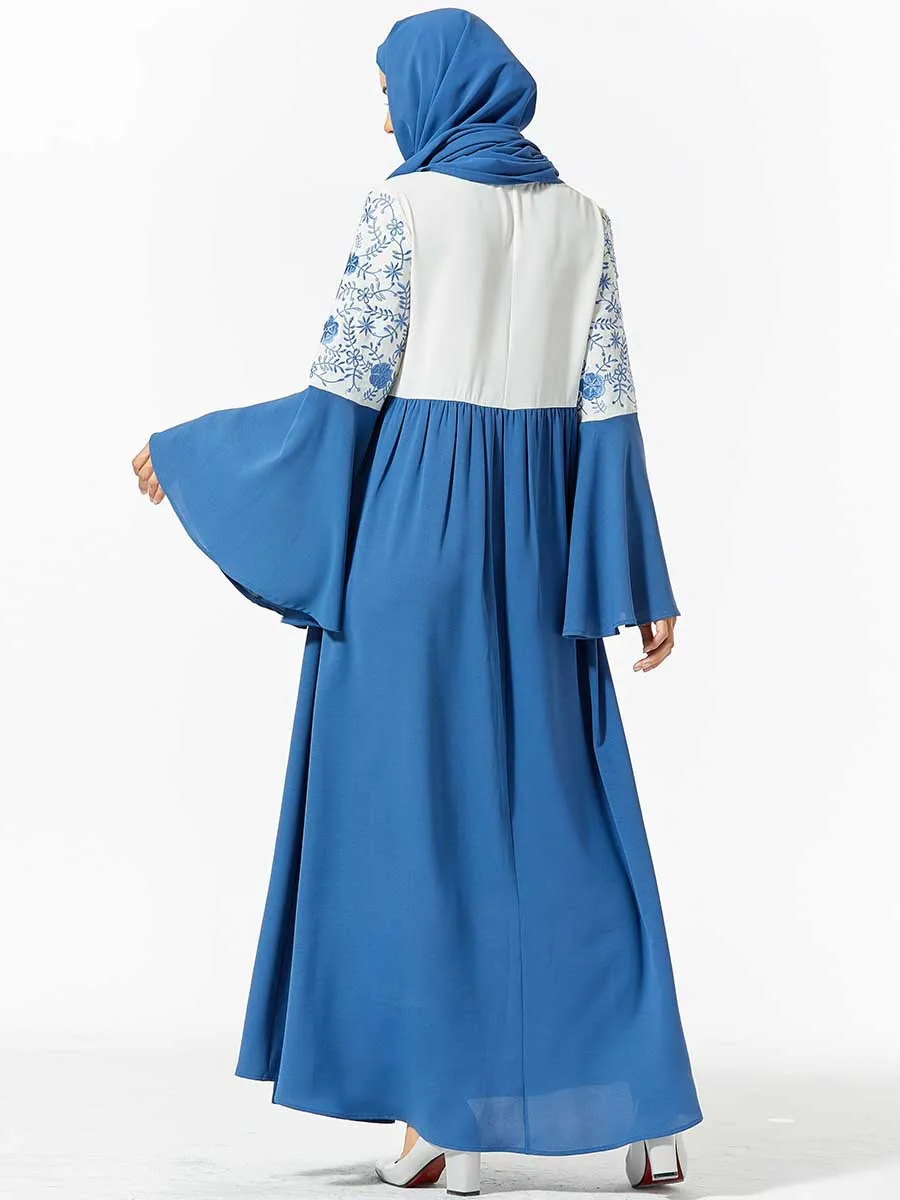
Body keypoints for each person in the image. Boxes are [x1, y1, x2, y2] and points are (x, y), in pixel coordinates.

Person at [132, 8, 702, 1194]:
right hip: (541, 552)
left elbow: (339, 401)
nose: (385, 113)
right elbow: (610, 407)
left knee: (409, 832)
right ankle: (646, 1116)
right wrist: (637, 578)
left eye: (390, 89)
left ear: (440, 90)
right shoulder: (586, 221)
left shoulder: (402, 209)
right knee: (572, 823)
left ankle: (438, 1124)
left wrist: (190, 456)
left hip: (411, 548)